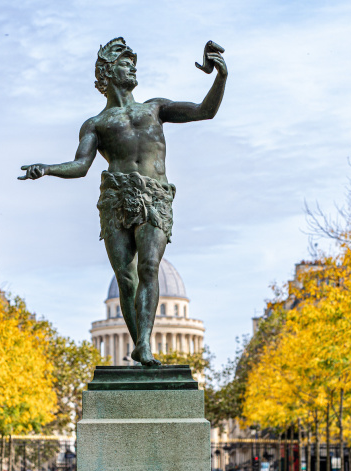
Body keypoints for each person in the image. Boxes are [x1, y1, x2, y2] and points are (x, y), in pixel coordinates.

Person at [19, 38, 227, 367]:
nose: (132, 67)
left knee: (147, 267)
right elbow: (81, 166)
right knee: (125, 279)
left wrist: (220, 77)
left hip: (154, 196)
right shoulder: (96, 124)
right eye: (125, 62)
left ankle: (142, 345)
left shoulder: (155, 108)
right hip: (115, 197)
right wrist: (47, 169)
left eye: (133, 62)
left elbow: (205, 111)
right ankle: (140, 342)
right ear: (107, 71)